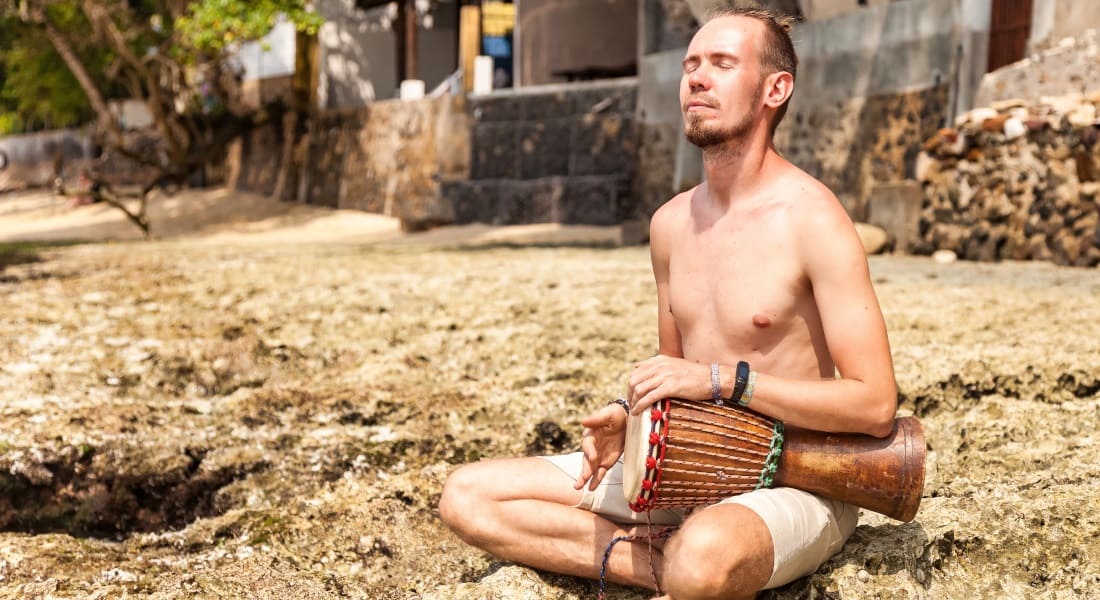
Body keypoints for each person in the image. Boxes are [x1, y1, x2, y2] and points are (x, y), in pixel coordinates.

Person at [438, 7, 898, 599]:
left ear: (775, 89)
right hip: (685, 465)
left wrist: (724, 381)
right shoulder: (670, 225)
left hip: (794, 482)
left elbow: (874, 402)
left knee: (704, 555)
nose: (697, 79)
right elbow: (675, 376)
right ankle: (660, 567)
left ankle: (683, 565)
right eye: (691, 65)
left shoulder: (814, 220)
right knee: (468, 496)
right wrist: (627, 417)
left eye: (722, 64)